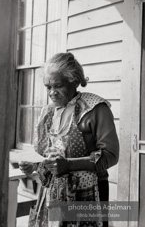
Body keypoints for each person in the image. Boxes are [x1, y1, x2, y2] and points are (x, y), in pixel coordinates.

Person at [19, 52, 119, 227]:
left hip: (88, 192)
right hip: (54, 192)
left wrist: (69, 165)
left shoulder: (95, 109)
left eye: (58, 86)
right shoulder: (49, 113)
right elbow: (49, 154)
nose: (52, 93)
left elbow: (111, 155)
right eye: (47, 87)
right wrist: (35, 166)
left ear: (74, 80)